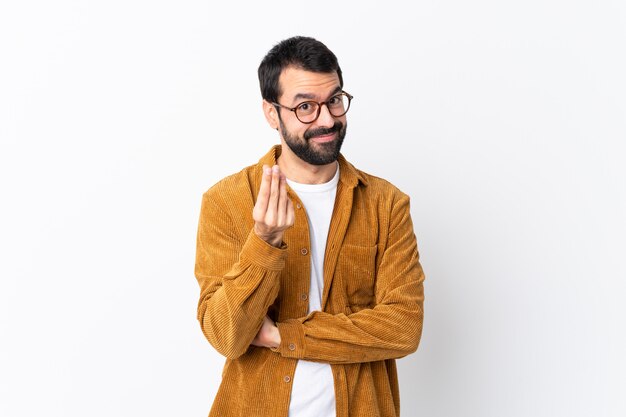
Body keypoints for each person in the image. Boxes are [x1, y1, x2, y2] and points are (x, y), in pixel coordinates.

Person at [194, 36, 425, 417]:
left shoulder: (386, 204)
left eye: (334, 100)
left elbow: (403, 327)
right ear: (272, 114)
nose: (327, 119)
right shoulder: (227, 201)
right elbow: (227, 335)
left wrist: (283, 335)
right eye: (305, 107)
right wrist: (264, 242)